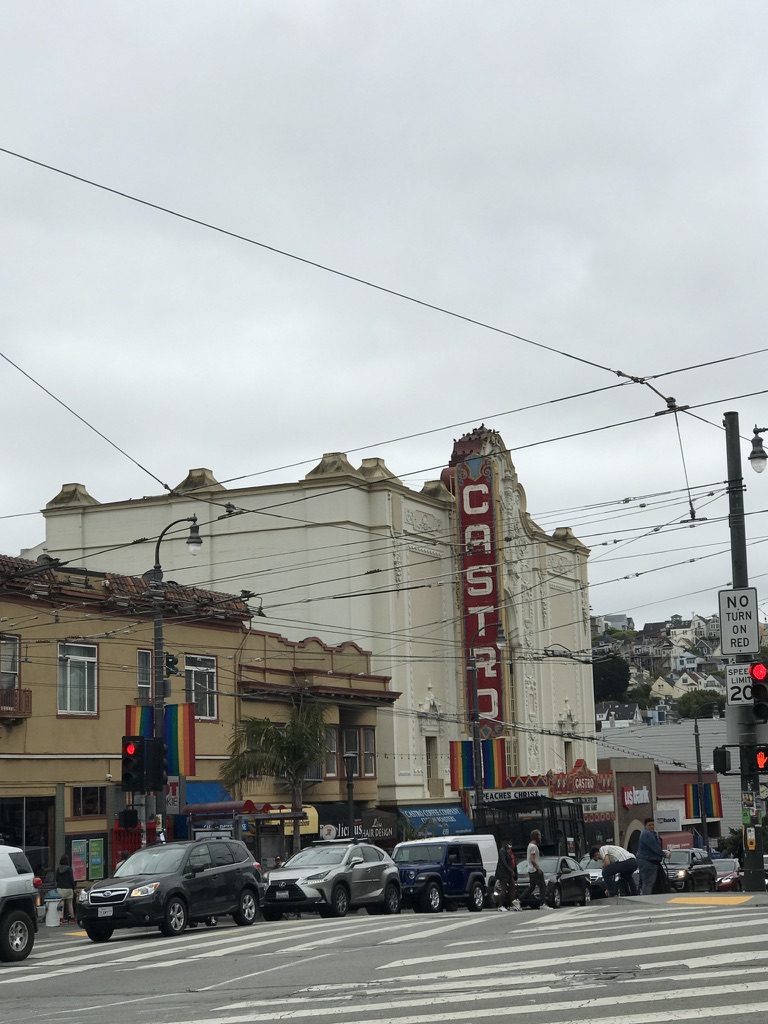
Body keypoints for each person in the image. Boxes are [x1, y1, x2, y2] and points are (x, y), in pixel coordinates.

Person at [636, 818, 669, 895]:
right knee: (648, 882)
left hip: (650, 861)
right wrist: (664, 854)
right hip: (648, 861)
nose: (652, 826)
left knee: (649, 881)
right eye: (649, 825)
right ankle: (647, 898)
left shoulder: (651, 834)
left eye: (653, 825)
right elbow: (654, 847)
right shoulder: (647, 834)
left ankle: (647, 896)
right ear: (645, 826)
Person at [519, 829, 545, 909]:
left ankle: (518, 901)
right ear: (536, 836)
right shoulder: (533, 847)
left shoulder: (530, 846)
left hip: (531, 870)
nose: (541, 837)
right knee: (543, 886)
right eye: (539, 836)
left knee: (532, 887)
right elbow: (532, 859)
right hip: (534, 870)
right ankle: (542, 904)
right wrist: (538, 868)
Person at [493, 840, 520, 912]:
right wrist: (511, 871)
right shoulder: (502, 851)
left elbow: (513, 862)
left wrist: (515, 872)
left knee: (513, 888)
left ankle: (512, 905)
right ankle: (500, 905)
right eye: (509, 844)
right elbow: (504, 862)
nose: (510, 845)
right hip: (503, 874)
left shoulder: (509, 852)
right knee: (503, 889)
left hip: (509, 874)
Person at [55, 853, 76, 924]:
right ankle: (73, 918)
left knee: (61, 904)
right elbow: (71, 879)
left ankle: (61, 919)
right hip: (68, 888)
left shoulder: (58, 869)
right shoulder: (69, 869)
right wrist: (74, 888)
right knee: (70, 904)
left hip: (60, 888)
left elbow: (56, 879)